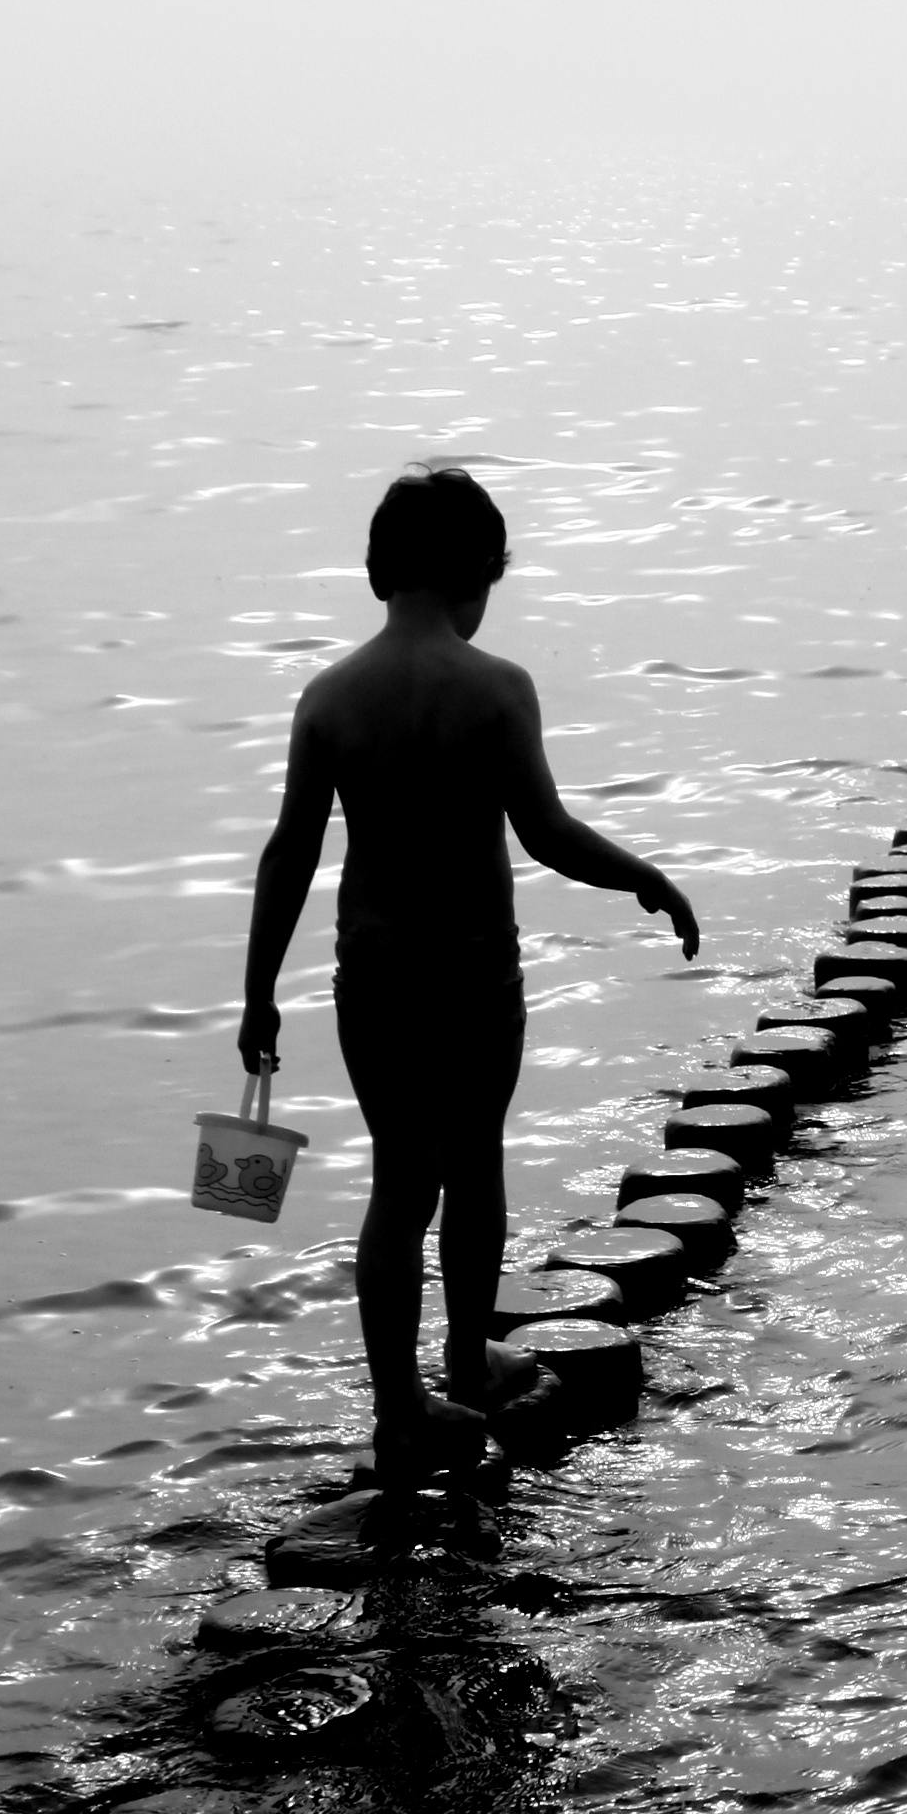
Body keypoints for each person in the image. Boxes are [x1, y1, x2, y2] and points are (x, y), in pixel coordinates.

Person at [240, 463, 700, 1477]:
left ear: (378, 576)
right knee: (476, 1161)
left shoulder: (328, 699)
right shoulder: (496, 690)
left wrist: (259, 989)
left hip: (374, 977)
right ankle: (465, 1359)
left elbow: (289, 853)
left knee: (400, 1183)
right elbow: (545, 832)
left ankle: (398, 1406)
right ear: (476, 578)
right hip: (473, 976)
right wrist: (646, 878)